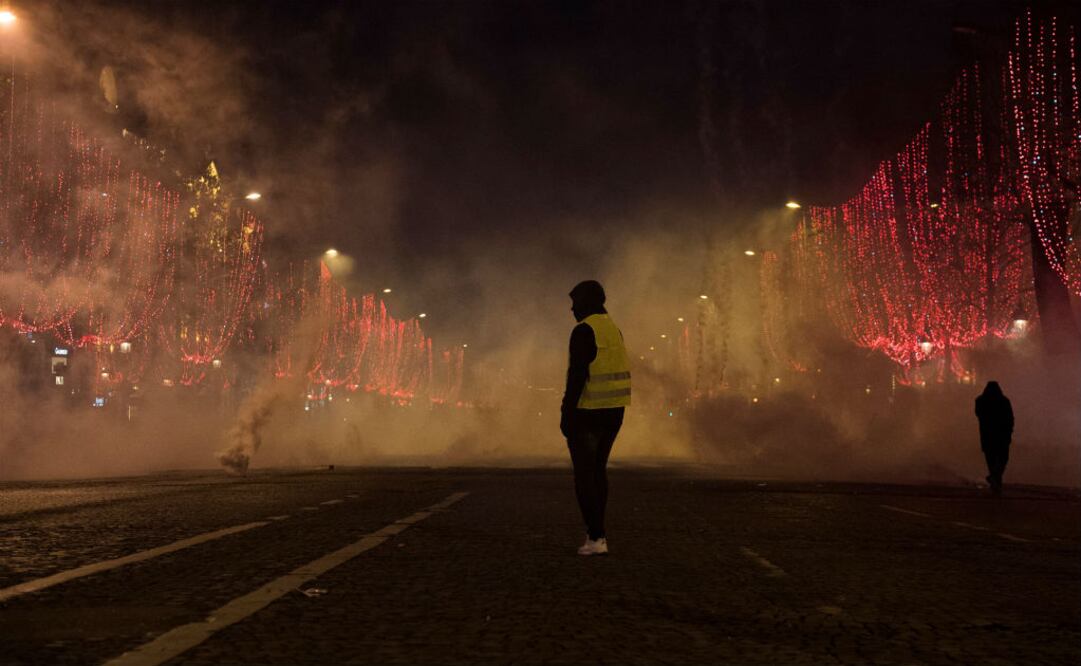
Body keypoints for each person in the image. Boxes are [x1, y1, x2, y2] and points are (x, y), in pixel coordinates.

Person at [560, 280, 631, 556]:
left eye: (575, 302)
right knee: (598, 472)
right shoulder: (614, 330)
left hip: (587, 412)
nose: (571, 309)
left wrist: (567, 413)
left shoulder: (584, 331)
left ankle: (596, 536)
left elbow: (577, 376)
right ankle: (597, 534)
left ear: (588, 302)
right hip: (615, 411)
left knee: (584, 476)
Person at [975, 381, 1014, 497]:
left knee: (991, 459)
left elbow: (979, 414)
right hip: (1002, 434)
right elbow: (1010, 417)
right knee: (1002, 458)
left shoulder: (980, 401)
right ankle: (996, 479)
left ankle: (995, 479)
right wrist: (1009, 431)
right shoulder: (1004, 401)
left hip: (987, 434)